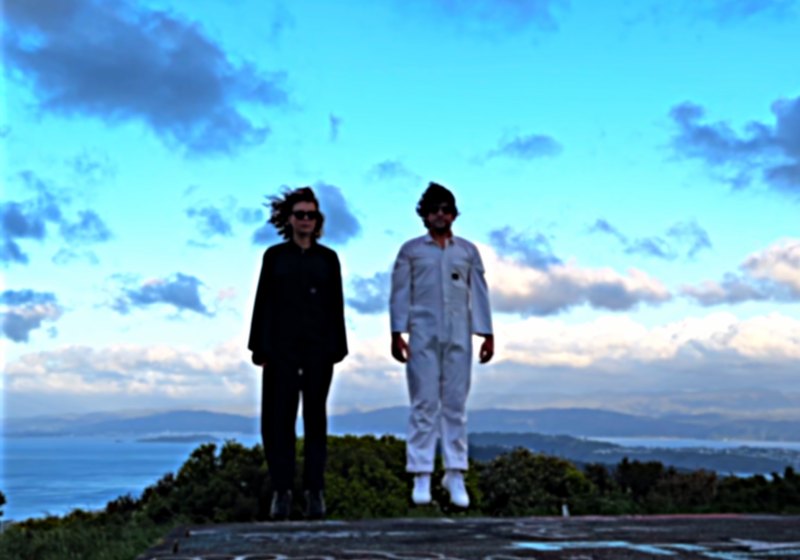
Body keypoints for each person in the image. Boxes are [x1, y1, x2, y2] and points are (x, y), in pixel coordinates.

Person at [389, 182, 494, 508]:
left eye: (446, 209)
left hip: (459, 333)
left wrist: (486, 333)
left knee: (455, 405)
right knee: (423, 403)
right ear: (424, 214)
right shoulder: (411, 251)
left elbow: (479, 293)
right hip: (422, 334)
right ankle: (421, 473)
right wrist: (397, 332)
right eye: (434, 209)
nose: (440, 214)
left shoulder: (467, 251)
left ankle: (455, 472)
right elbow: (400, 293)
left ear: (454, 214)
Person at [248, 186, 348, 521]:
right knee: (278, 423)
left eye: (311, 215)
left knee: (316, 421)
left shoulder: (328, 259)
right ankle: (282, 492)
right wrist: (259, 347)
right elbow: (263, 302)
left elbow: (336, 306)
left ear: (318, 220)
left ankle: (315, 492)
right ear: (289, 219)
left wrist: (337, 348)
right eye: (300, 214)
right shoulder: (274, 257)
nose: (306, 220)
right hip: (280, 352)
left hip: (319, 351)